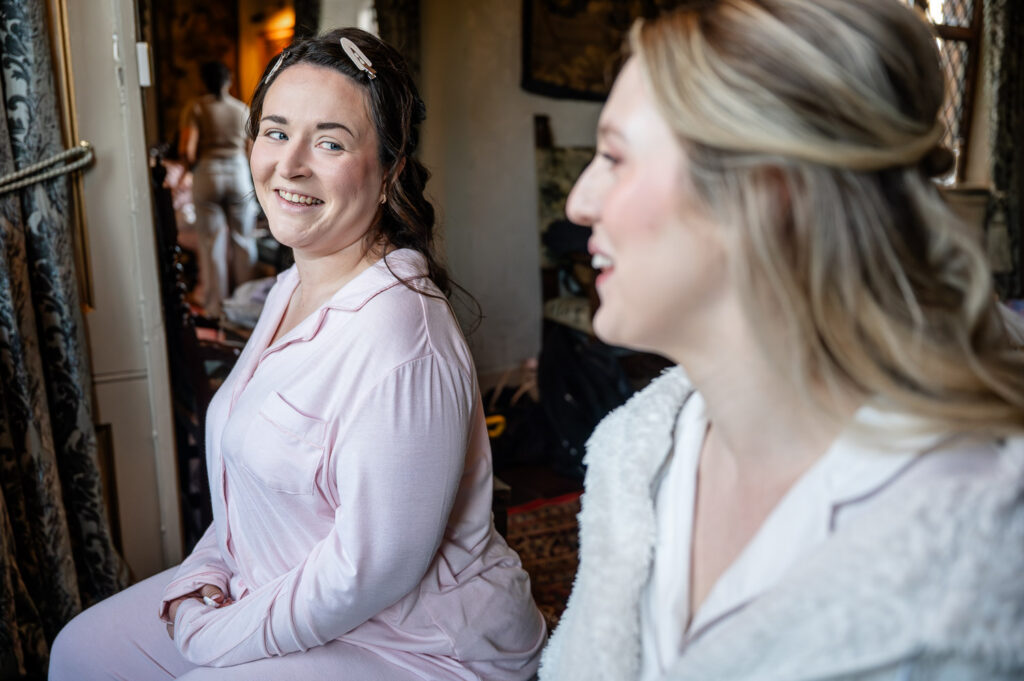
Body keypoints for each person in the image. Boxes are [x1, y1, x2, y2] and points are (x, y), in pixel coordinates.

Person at [538, 1, 1024, 680]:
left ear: (767, 191)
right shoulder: (633, 455)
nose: (578, 202)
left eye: (615, 156)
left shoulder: (974, 557)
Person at [50, 28, 546, 680]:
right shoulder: (291, 285)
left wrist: (217, 633)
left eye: (331, 142)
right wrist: (203, 577)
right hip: (280, 581)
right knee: (80, 650)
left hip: (413, 642)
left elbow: (366, 572)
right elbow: (242, 486)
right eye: (276, 131)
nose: (289, 164)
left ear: (392, 168)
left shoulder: (401, 341)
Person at [180, 60, 258, 318]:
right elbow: (251, 152)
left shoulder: (197, 108)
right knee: (244, 239)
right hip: (237, 173)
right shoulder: (241, 109)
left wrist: (192, 165)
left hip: (208, 174)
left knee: (211, 242)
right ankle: (246, 305)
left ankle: (214, 309)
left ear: (204, 82)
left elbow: (188, 150)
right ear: (229, 81)